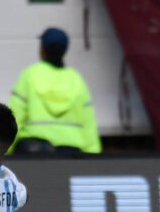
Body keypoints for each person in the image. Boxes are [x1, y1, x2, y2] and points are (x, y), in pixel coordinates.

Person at [8, 27, 101, 156]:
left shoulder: (30, 75)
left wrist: (6, 151)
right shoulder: (76, 79)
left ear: (42, 49)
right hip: (71, 151)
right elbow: (88, 122)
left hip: (33, 150)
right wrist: (93, 153)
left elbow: (15, 116)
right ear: (65, 51)